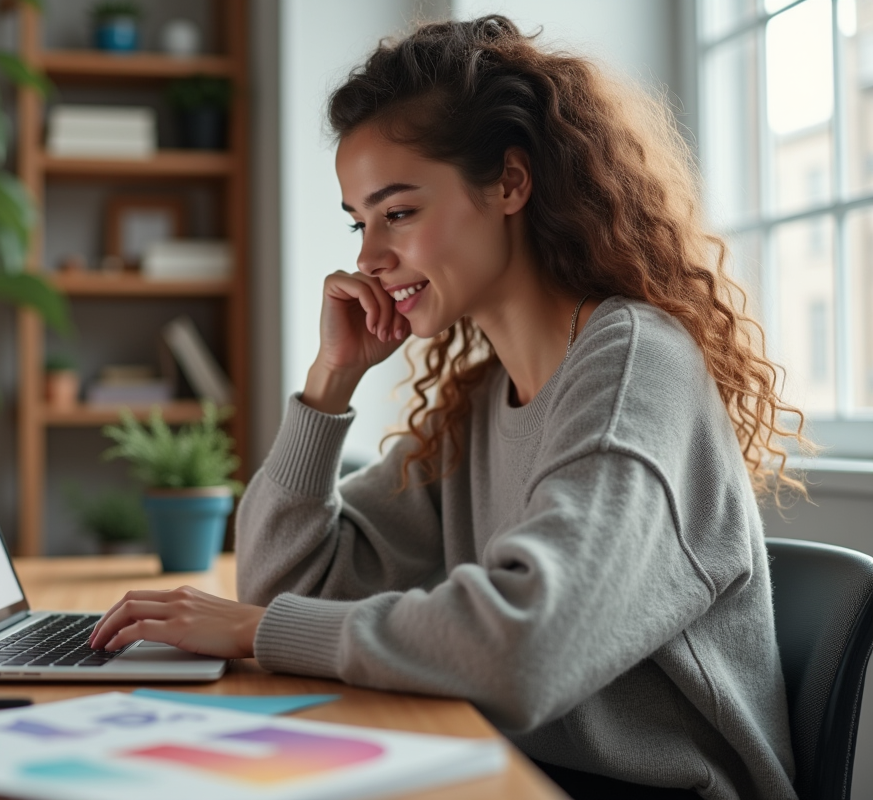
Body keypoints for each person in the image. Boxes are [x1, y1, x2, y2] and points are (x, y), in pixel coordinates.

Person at [90, 16, 805, 799]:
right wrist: (330, 382)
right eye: (359, 222)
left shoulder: (636, 366)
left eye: (397, 213)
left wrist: (259, 633)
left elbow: (527, 648)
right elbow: (285, 589)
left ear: (509, 182)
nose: (367, 258)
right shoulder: (483, 401)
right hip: (521, 771)